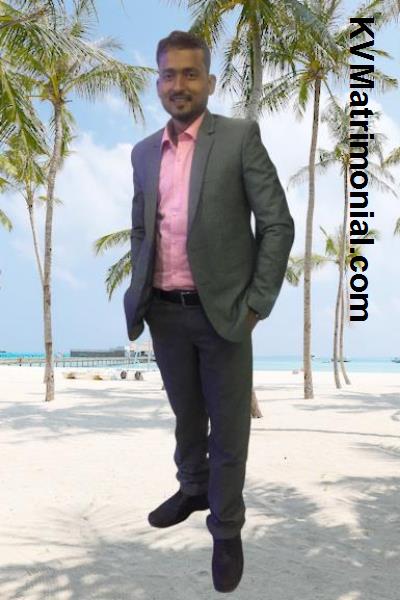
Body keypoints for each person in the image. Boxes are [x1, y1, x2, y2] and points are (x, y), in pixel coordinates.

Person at [123, 30, 295, 593]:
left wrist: (257, 305)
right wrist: (141, 294)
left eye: (190, 74)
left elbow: (277, 224)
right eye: (169, 74)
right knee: (186, 418)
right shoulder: (143, 153)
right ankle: (193, 489)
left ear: (210, 82)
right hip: (165, 314)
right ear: (158, 82)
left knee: (229, 431)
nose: (179, 84)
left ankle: (226, 530)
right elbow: (142, 228)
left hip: (225, 316)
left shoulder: (240, 138)